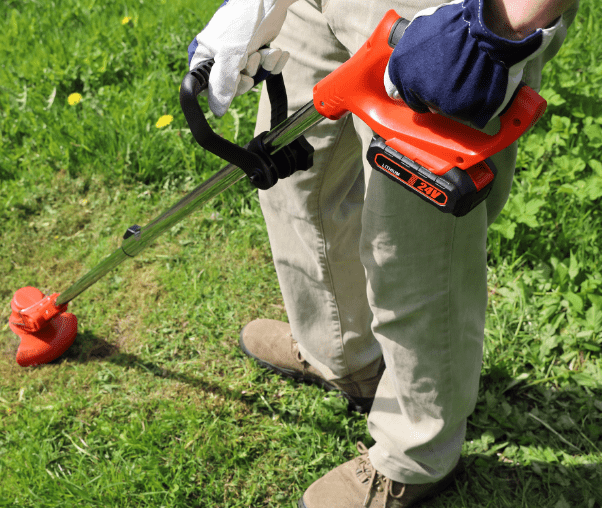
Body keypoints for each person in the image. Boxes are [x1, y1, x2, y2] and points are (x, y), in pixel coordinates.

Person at [189, 0, 579, 507]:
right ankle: (342, 354)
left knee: (414, 243)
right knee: (297, 176)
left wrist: (496, 27)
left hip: (452, 12)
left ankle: (418, 454)